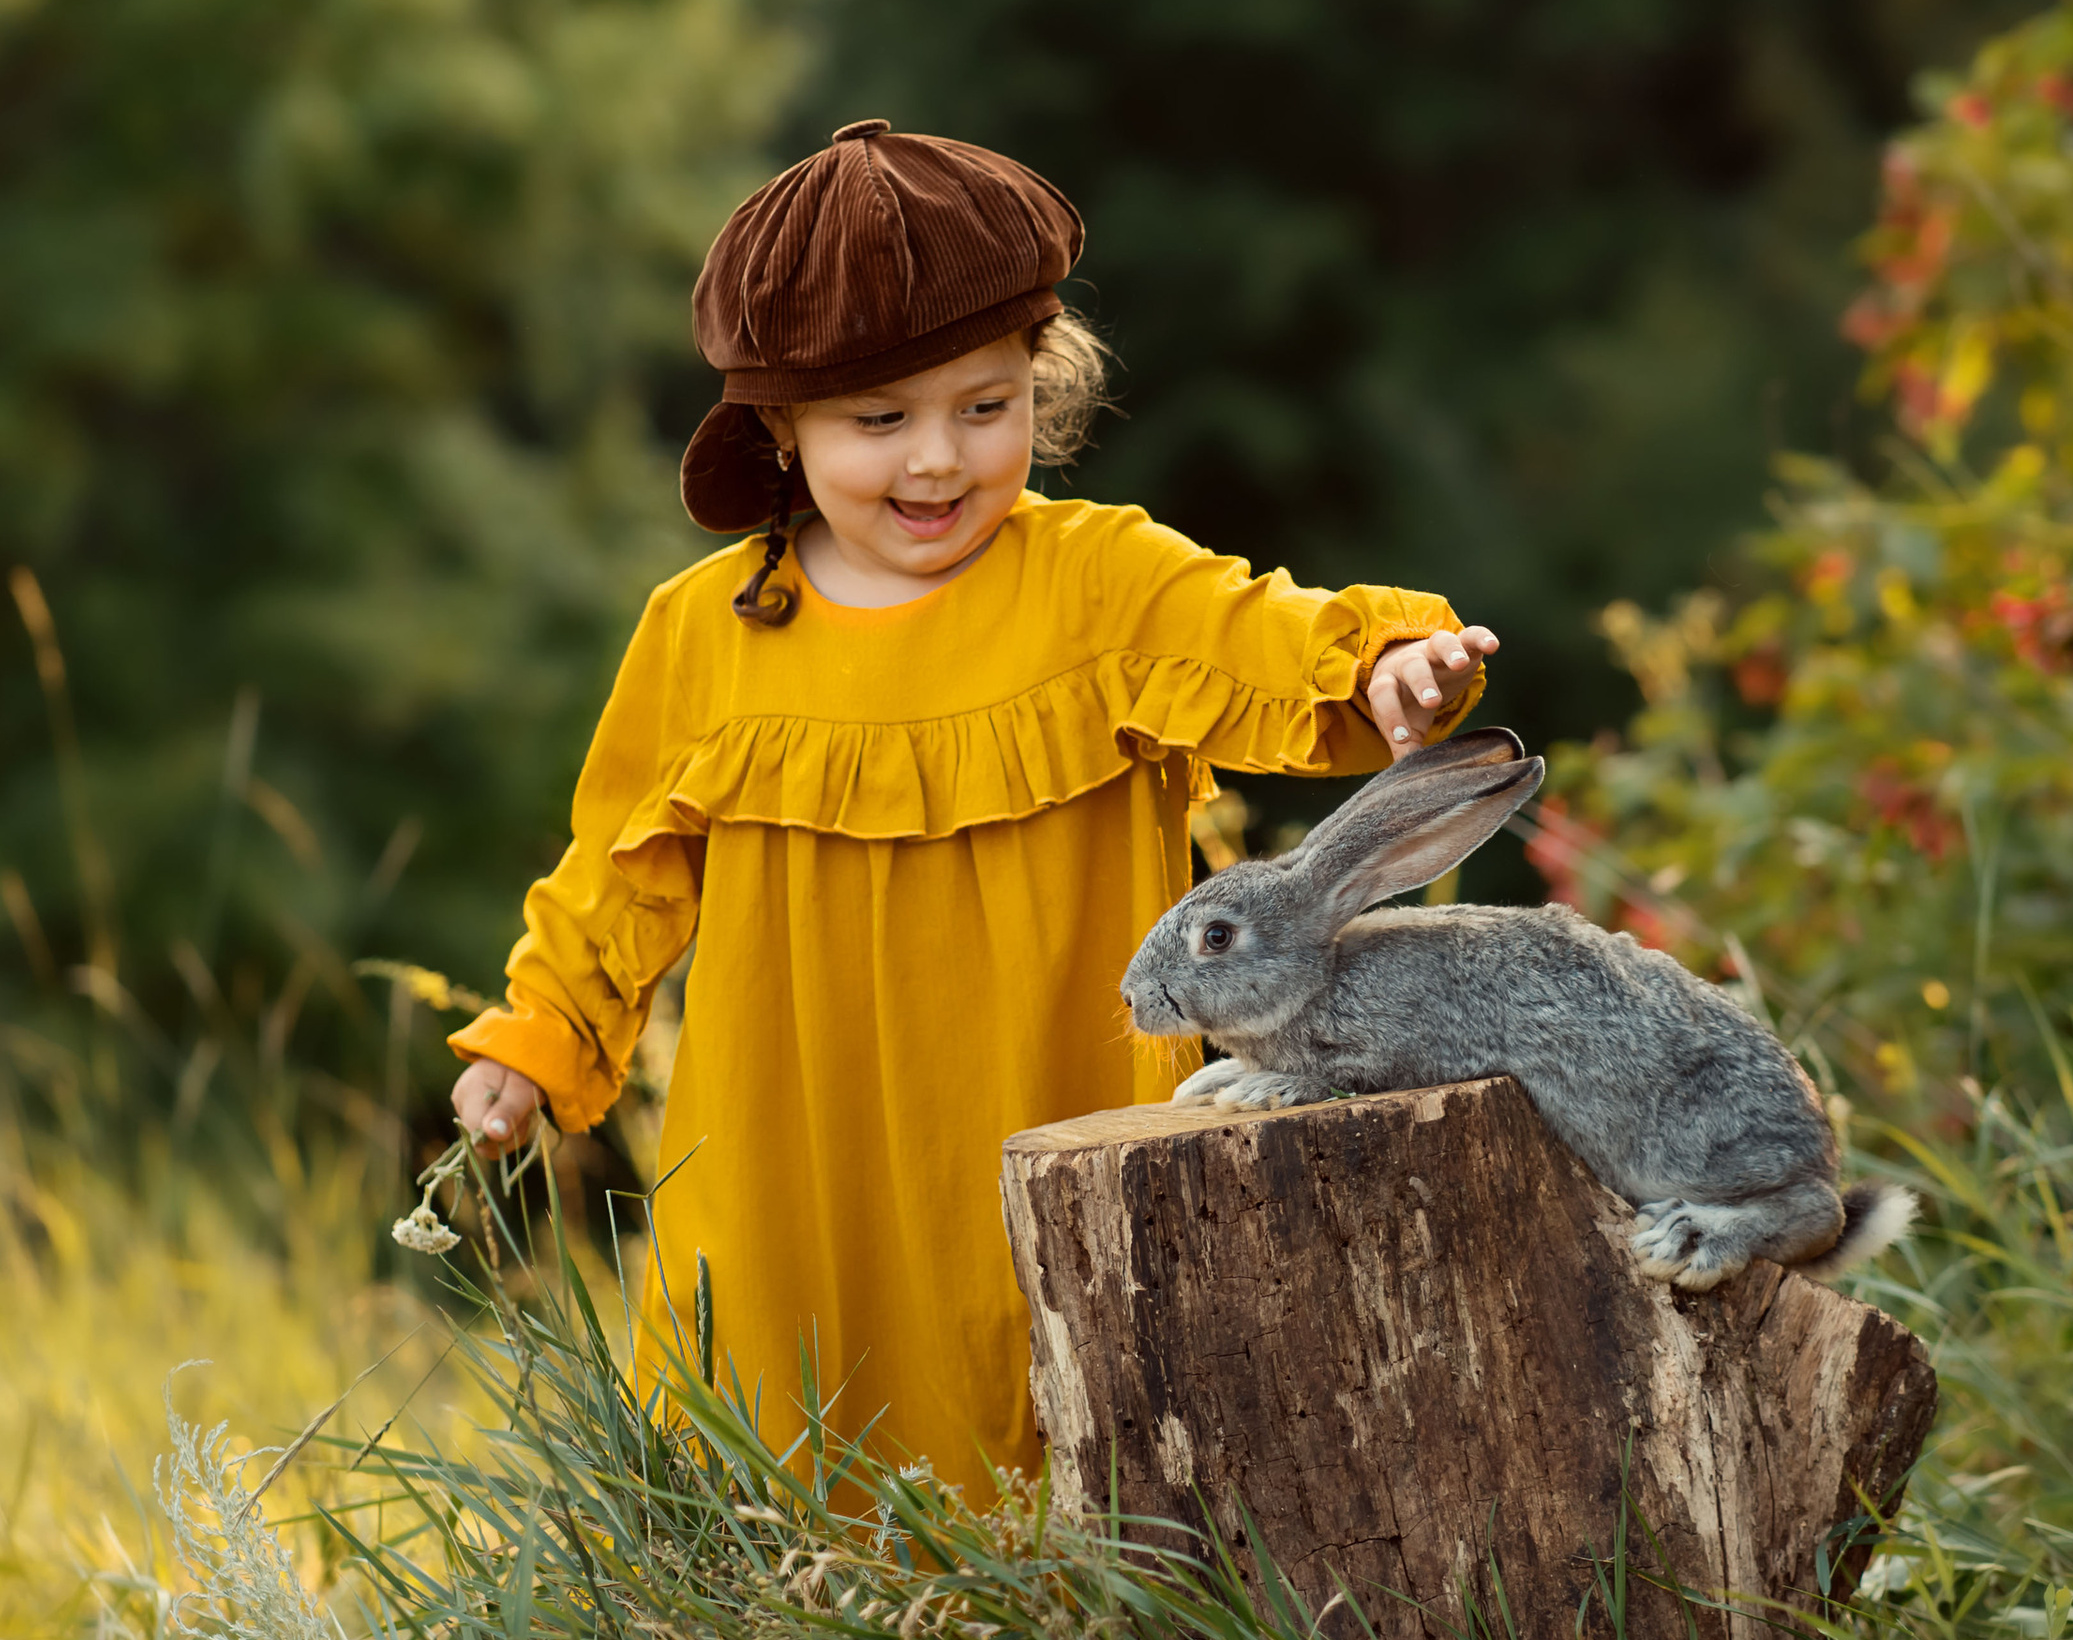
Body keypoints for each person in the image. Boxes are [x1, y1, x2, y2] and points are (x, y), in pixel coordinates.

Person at [444, 120, 1498, 1484]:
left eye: (984, 408)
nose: (936, 460)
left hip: (1058, 1108)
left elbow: (1267, 640)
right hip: (790, 1146)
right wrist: (537, 1041)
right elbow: (617, 873)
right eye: (880, 422)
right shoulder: (707, 629)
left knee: (1072, 1428)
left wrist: (1389, 667)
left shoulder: (1101, 581)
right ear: (781, 427)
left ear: (1038, 389)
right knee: (783, 1433)